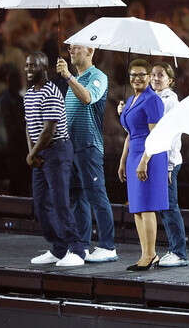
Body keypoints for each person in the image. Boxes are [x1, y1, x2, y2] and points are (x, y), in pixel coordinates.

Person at [56, 45, 118, 263]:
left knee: (96, 195)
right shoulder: (75, 79)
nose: (71, 51)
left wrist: (68, 77)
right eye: (70, 48)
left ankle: (108, 246)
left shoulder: (97, 76)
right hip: (71, 147)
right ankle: (80, 247)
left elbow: (88, 98)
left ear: (90, 51)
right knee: (76, 197)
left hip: (89, 146)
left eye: (76, 48)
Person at [24, 51, 85, 267]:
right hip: (40, 153)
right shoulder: (30, 93)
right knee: (41, 205)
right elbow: (29, 125)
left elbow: (49, 130)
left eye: (33, 66)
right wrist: (33, 153)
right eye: (27, 66)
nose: (28, 69)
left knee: (60, 203)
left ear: (44, 67)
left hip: (57, 151)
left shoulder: (51, 92)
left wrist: (32, 155)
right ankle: (59, 248)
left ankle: (76, 249)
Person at [118, 59, 168, 271]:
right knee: (137, 208)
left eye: (141, 75)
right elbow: (130, 134)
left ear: (149, 77)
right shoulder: (130, 100)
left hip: (150, 156)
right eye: (133, 75)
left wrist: (144, 161)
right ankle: (145, 253)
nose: (136, 78)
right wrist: (123, 161)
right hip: (134, 155)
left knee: (147, 207)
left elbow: (156, 135)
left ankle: (150, 254)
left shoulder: (152, 100)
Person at [150, 62, 189, 267]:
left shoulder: (170, 100)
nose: (156, 78)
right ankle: (173, 249)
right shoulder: (150, 97)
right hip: (155, 159)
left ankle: (179, 252)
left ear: (170, 80)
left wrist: (169, 166)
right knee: (162, 207)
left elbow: (173, 135)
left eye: (161, 75)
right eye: (153, 74)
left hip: (168, 162)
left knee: (169, 207)